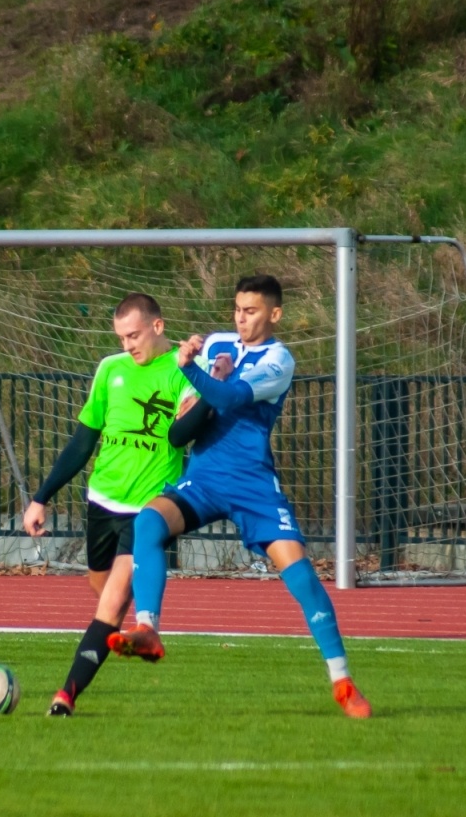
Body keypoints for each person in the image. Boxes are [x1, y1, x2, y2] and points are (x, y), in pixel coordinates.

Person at [108, 275, 372, 719]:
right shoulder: (217, 344)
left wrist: (189, 366)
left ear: (275, 314)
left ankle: (343, 680)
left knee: (301, 576)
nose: (241, 318)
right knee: (149, 523)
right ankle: (148, 628)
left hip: (252, 485)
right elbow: (192, 410)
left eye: (251, 311)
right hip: (205, 477)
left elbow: (229, 398)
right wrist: (194, 372)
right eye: (237, 309)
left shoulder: (279, 359)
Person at [22, 292, 213, 717]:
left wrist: (199, 407)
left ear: (157, 327)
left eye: (133, 335)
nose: (127, 345)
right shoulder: (110, 369)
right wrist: (41, 498)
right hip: (101, 503)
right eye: (121, 337)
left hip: (148, 509)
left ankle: (65, 695)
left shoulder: (185, 371)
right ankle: (133, 629)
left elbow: (189, 436)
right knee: (104, 598)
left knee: (110, 604)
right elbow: (83, 441)